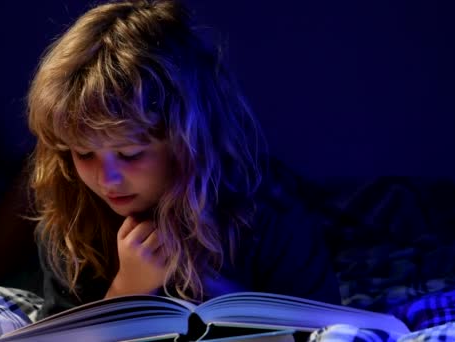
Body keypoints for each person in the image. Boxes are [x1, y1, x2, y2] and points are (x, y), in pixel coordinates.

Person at [27, 0, 341, 319]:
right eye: (84, 154)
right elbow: (61, 330)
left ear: (191, 143)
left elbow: (322, 324)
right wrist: (127, 289)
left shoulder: (269, 210)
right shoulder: (73, 215)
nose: (107, 179)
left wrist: (218, 295)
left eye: (130, 154)